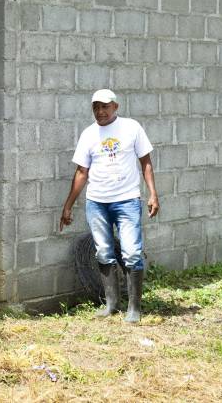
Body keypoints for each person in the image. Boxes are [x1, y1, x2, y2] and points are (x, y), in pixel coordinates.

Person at [59, 89, 159, 323]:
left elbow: (146, 162)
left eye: (104, 106)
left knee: (132, 252)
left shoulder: (131, 128)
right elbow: (82, 172)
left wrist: (153, 194)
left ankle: (134, 308)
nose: (100, 111)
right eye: (96, 107)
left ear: (116, 107)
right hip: (97, 202)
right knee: (103, 251)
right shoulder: (88, 134)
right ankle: (112, 304)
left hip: (127, 200)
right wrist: (68, 205)